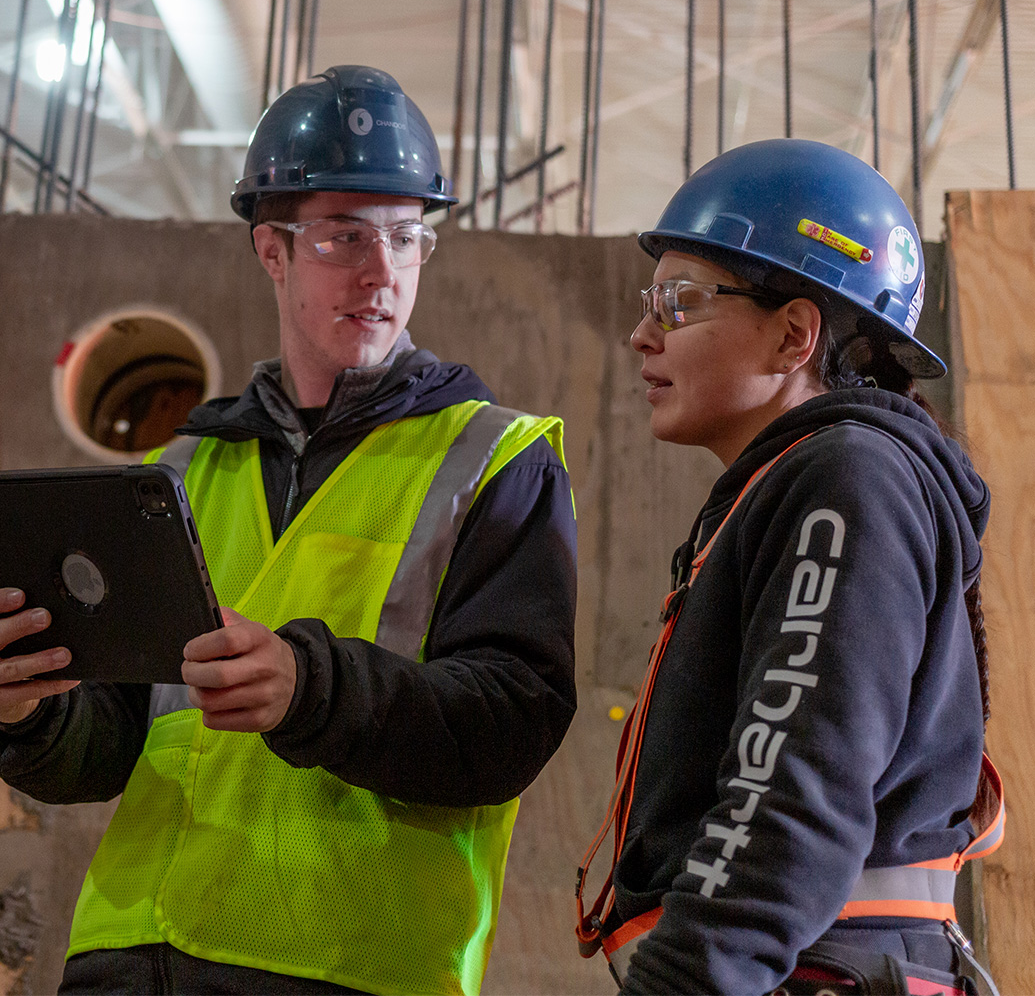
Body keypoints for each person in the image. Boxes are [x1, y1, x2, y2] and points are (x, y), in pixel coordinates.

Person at [0, 65, 577, 996]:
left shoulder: (495, 460)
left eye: (404, 236)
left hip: (346, 969)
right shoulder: (185, 468)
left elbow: (512, 723)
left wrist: (313, 687)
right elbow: (110, 745)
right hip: (127, 960)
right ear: (271, 249)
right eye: (343, 236)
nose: (380, 270)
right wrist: (31, 710)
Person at [575, 139, 1003, 995]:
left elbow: (789, 788)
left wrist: (687, 981)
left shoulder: (845, 477)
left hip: (816, 970)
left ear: (794, 333)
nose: (641, 333)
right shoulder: (808, 481)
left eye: (679, 301)